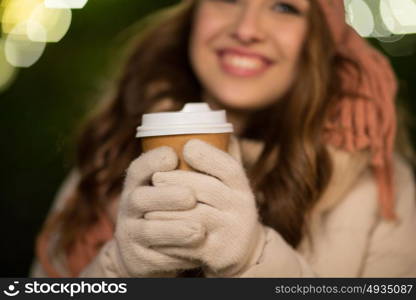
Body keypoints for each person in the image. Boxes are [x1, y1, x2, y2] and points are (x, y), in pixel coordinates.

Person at [31, 0, 416, 277]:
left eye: (284, 7)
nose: (247, 29)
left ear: (319, 40)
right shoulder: (109, 154)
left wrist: (254, 260)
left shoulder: (378, 186)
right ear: (193, 15)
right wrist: (118, 268)